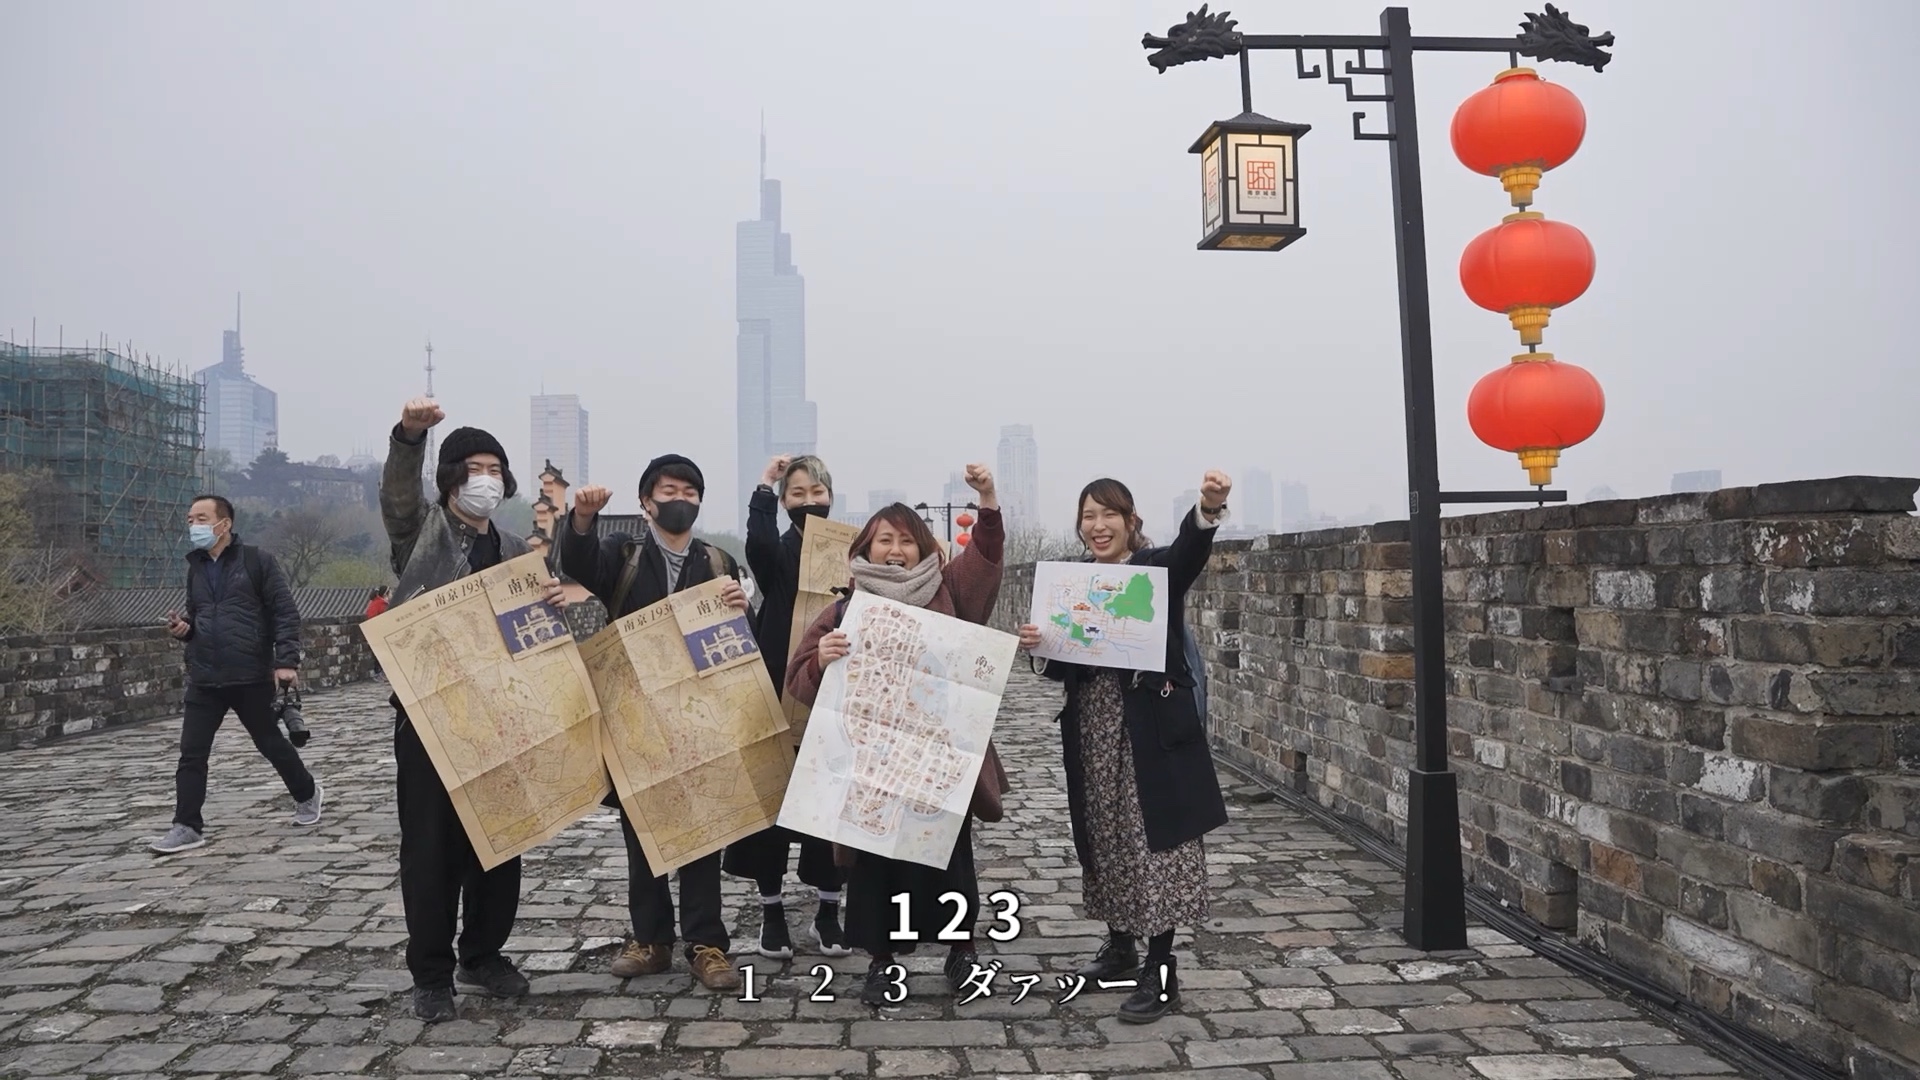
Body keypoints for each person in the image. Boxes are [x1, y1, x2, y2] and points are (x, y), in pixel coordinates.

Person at [380, 396, 573, 1023]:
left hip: (503, 718)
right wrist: (410, 436)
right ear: (452, 478)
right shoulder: (422, 535)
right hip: (432, 715)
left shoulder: (520, 551)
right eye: (471, 469)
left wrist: (553, 600)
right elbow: (400, 496)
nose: (483, 480)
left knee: (500, 843)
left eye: (493, 468)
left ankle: (483, 953)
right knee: (431, 849)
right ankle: (431, 971)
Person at [1014, 472, 1233, 1025]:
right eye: (1088, 516)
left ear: (1130, 520)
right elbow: (1063, 661)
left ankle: (1163, 974)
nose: (1097, 525)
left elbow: (1190, 553)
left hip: (1150, 729)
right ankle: (1119, 948)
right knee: (1103, 835)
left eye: (1108, 514)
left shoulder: (1154, 570)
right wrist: (1041, 645)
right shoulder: (1074, 581)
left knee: (1151, 842)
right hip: (1092, 725)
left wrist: (1207, 509)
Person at [785, 465, 1004, 1007]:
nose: (896, 550)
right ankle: (881, 962)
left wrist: (987, 502)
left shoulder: (950, 594)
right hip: (871, 772)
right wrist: (822, 659)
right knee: (874, 866)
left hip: (936, 765)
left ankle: (961, 952)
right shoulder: (841, 610)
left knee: (949, 859)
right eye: (885, 539)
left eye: (908, 541)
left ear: (925, 549)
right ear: (865, 548)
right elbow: (798, 682)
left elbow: (987, 561)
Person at [561, 454, 748, 993]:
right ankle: (651, 938)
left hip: (697, 716)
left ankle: (706, 942)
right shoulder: (622, 554)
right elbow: (578, 563)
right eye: (669, 489)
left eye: (690, 490)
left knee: (702, 828)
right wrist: (580, 520)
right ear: (646, 502)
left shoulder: (717, 562)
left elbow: (738, 641)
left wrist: (742, 607)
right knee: (643, 829)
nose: (680, 498)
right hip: (635, 714)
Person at [722, 454, 850, 960]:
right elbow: (756, 542)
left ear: (831, 497)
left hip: (832, 691)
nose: (809, 502)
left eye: (817, 493)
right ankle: (771, 912)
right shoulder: (776, 554)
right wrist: (763, 486)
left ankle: (827, 913)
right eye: (797, 494)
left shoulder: (848, 552)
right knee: (772, 807)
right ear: (784, 503)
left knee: (829, 804)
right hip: (776, 688)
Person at [149, 495, 322, 855]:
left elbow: (284, 613)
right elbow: (199, 616)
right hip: (205, 676)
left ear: (223, 524)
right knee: (191, 753)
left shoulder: (257, 561)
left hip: (249, 674)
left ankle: (307, 792)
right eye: (190, 519)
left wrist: (285, 661)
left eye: (200, 518)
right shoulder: (195, 566)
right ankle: (187, 826)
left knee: (270, 743)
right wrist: (186, 628)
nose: (193, 526)